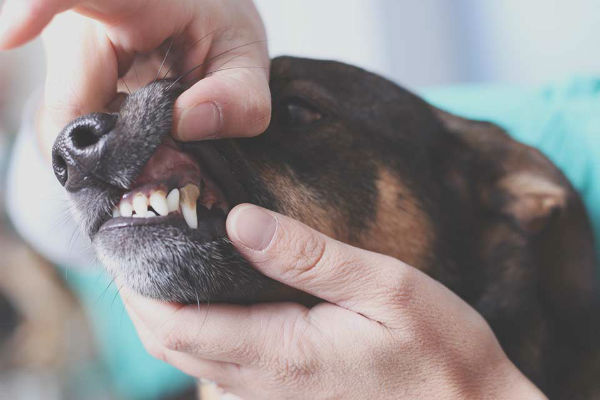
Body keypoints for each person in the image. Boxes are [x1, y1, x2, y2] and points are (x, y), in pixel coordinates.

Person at [2, 0, 585, 398]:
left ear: (498, 193)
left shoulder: (539, 158)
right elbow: (45, 219)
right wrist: (88, 90)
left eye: (298, 113)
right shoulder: (547, 123)